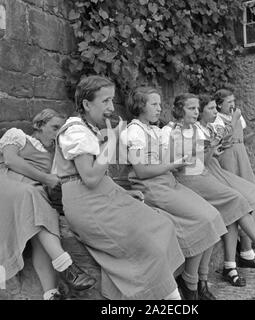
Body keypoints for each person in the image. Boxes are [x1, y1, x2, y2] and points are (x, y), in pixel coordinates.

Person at [53, 75, 185, 300]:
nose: (111, 107)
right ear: (86, 104)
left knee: (162, 225)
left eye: (112, 101)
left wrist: (123, 191)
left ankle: (161, 293)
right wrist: (112, 139)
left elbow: (99, 176)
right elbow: (90, 178)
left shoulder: (89, 129)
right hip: (89, 205)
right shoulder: (74, 130)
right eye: (105, 101)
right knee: (146, 243)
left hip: (105, 195)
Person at [161, 93, 255, 287]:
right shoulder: (170, 130)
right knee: (236, 201)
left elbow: (201, 161)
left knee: (231, 211)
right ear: (179, 110)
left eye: (197, 109)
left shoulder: (196, 128)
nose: (196, 112)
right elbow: (175, 165)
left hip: (201, 173)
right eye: (192, 108)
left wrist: (211, 149)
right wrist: (198, 153)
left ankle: (231, 265)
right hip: (188, 179)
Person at [121, 86, 228, 300]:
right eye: (154, 104)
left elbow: (166, 160)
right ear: (140, 106)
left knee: (214, 216)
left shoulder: (153, 129)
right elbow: (141, 171)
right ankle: (191, 283)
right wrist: (174, 164)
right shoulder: (134, 132)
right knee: (204, 220)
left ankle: (197, 280)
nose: (159, 108)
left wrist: (187, 156)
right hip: (152, 188)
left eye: (160, 104)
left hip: (168, 182)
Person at [0, 109, 96, 300]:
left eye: (61, 130)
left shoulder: (55, 156)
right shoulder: (17, 135)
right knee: (31, 194)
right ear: (39, 126)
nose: (57, 133)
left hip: (31, 199)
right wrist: (46, 178)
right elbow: (11, 160)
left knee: (43, 222)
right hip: (6, 185)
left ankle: (51, 294)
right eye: (54, 127)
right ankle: (67, 267)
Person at [213, 89, 255, 267]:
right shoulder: (216, 120)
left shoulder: (238, 116)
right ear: (219, 104)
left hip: (241, 157)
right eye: (228, 101)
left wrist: (254, 133)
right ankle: (246, 251)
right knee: (239, 200)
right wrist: (234, 119)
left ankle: (248, 250)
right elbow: (221, 141)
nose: (232, 104)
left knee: (251, 199)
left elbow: (242, 140)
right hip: (227, 159)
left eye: (233, 100)